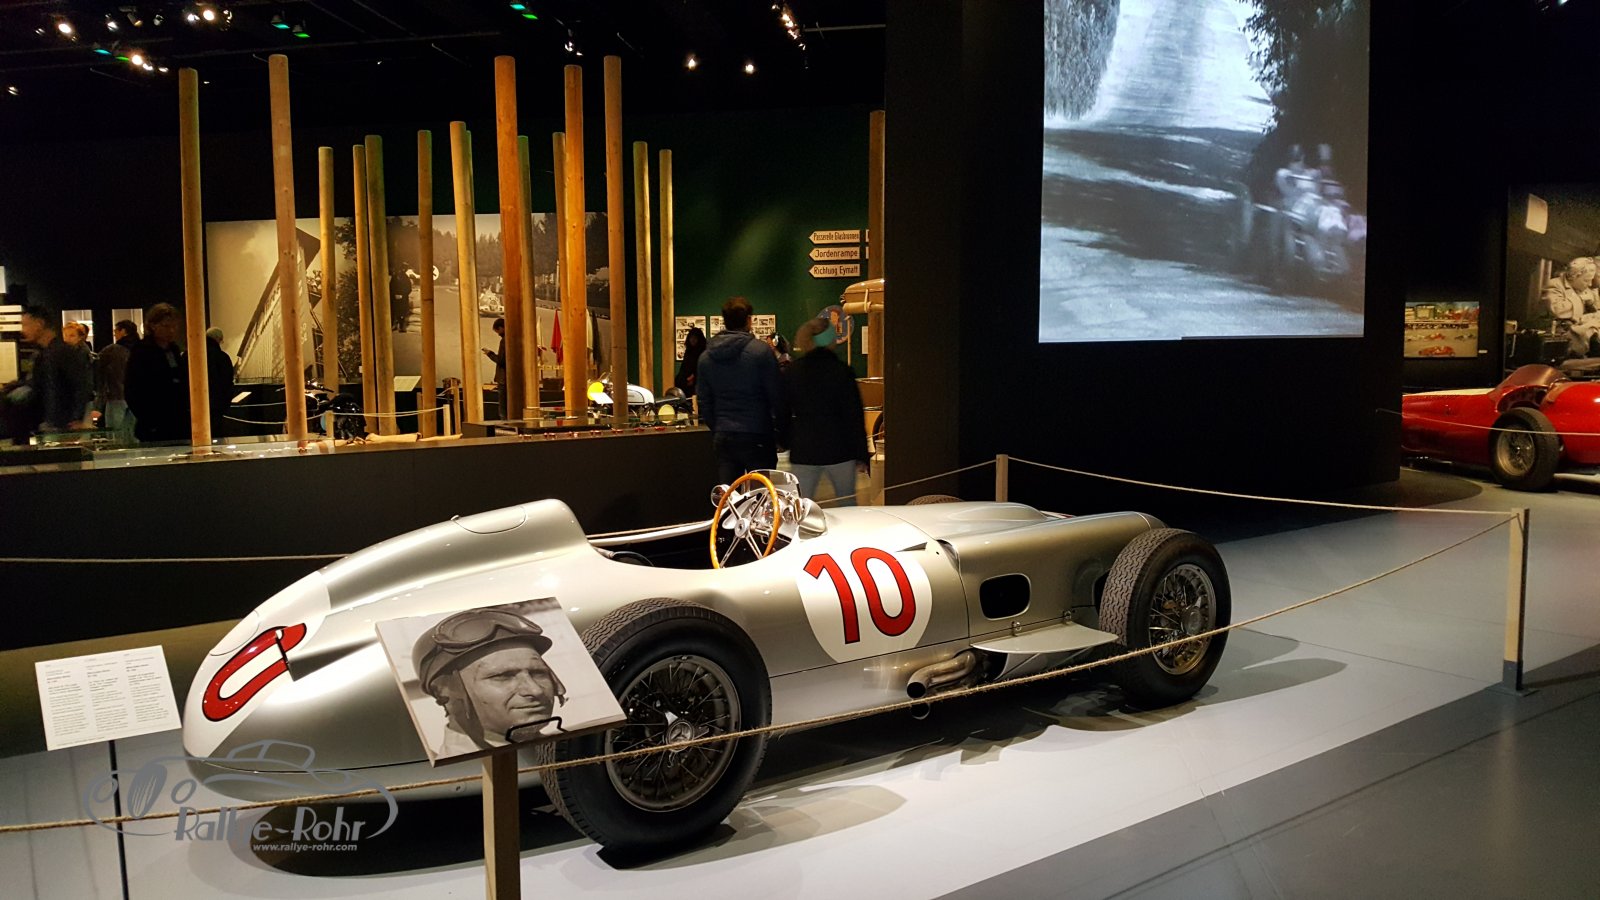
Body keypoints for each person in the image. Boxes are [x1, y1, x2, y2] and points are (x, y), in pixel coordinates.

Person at [413, 609, 568, 755]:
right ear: (442, 691)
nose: (535, 690)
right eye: (503, 676)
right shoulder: (462, 771)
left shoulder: (563, 749)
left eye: (538, 673)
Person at [696, 298, 786, 485]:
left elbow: (704, 401)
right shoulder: (761, 352)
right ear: (749, 320)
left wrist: (718, 426)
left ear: (724, 320)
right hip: (758, 433)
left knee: (730, 497)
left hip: (724, 435)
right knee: (761, 494)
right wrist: (781, 433)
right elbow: (776, 396)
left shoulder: (706, 357)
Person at [783, 317, 869, 506]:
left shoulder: (793, 372)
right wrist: (861, 453)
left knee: (801, 508)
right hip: (840, 448)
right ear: (831, 340)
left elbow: (783, 411)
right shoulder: (842, 371)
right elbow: (854, 415)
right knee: (847, 505)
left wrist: (786, 440)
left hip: (804, 449)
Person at [13, 306, 93, 433]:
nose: (23, 330)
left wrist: (76, 418)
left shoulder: (59, 353)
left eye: (26, 325)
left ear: (39, 324)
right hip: (52, 423)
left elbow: (81, 385)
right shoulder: (45, 353)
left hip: (61, 425)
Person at [125, 303, 191, 442]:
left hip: (178, 422)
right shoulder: (142, 351)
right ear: (153, 326)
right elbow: (132, 389)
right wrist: (149, 419)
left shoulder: (173, 350)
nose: (171, 331)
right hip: (153, 424)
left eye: (174, 326)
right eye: (166, 326)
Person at [1544, 258, 1600, 356]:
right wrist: (1580, 299)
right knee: (1591, 329)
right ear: (1574, 277)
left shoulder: (1585, 288)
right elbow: (1558, 310)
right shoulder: (1554, 285)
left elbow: (1596, 309)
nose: (1590, 284)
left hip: (1582, 330)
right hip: (1560, 334)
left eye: (1591, 280)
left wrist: (1592, 305)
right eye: (1586, 280)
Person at [96, 319, 139, 440]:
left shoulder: (112, 351)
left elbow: (98, 368)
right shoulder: (140, 349)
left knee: (115, 433)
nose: (114, 333)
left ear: (123, 331)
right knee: (133, 432)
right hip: (136, 397)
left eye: (116, 331)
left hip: (116, 395)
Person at [205, 327, 234, 438]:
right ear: (218, 339)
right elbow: (227, 381)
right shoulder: (222, 357)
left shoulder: (191, 354)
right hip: (217, 405)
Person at [673, 326, 707, 395]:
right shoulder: (689, 351)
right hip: (685, 382)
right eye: (691, 337)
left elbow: (702, 366)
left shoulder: (703, 351)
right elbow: (684, 366)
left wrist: (694, 376)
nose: (692, 340)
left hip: (697, 383)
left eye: (695, 338)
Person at [483, 317, 506, 417]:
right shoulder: (512, 338)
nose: (498, 334)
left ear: (501, 328)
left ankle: (505, 424)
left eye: (497, 331)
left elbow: (501, 360)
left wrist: (490, 354)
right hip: (511, 379)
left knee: (503, 408)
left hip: (504, 379)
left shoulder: (504, 341)